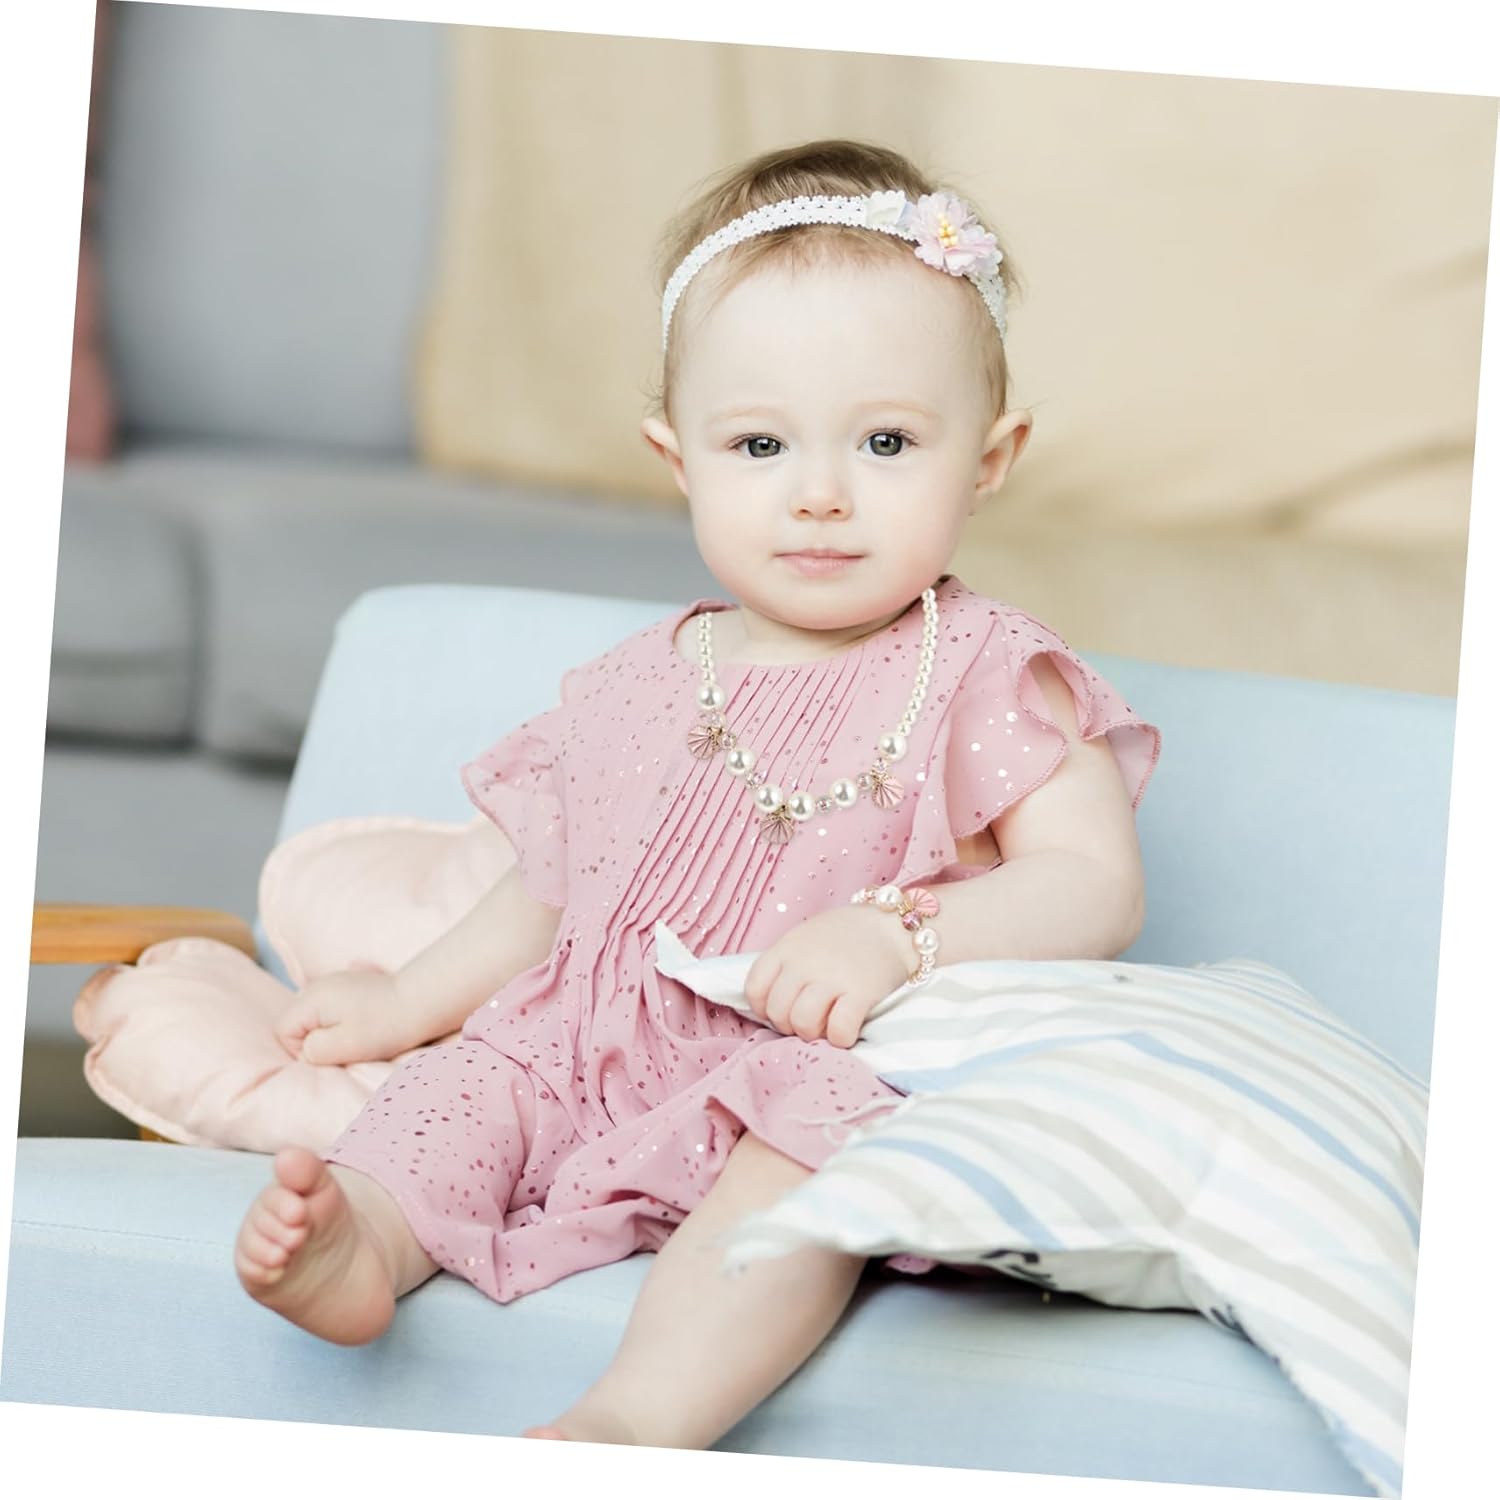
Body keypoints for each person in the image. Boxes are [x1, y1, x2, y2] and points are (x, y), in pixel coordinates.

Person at [233, 138, 1161, 1447]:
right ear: (680, 460)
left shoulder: (990, 671)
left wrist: (894, 935)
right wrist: (405, 1001)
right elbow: (551, 893)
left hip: (816, 1059)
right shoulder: (635, 682)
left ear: (990, 457)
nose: (821, 495)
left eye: (888, 441)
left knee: (810, 1161)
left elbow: (1092, 884)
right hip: (588, 1047)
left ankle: (640, 1416)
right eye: (761, 443)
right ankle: (366, 1243)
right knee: (461, 1090)